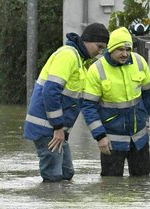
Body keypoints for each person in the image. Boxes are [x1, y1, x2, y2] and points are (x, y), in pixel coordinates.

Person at [24, 23, 109, 182]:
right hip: (48, 129)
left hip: (56, 130)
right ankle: (52, 202)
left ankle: (60, 202)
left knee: (66, 173)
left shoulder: (80, 61)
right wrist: (57, 128)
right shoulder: (68, 55)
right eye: (99, 46)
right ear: (88, 41)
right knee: (53, 177)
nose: (100, 52)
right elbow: (50, 91)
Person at [81, 27, 150, 177]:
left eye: (128, 49)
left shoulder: (139, 62)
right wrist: (100, 137)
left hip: (139, 139)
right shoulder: (97, 69)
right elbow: (88, 107)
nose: (125, 54)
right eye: (120, 49)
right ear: (111, 49)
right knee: (112, 188)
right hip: (111, 141)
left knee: (142, 184)